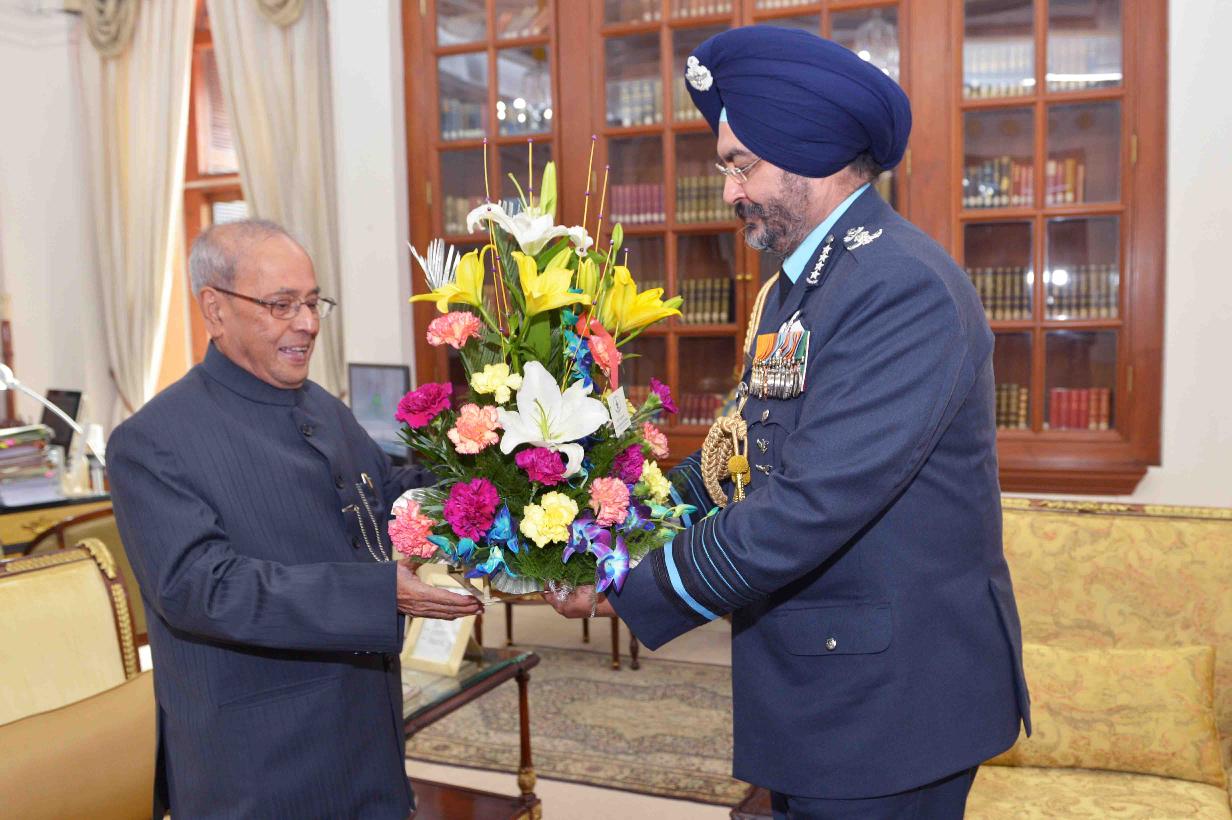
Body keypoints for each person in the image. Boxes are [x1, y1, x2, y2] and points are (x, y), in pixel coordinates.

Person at [547, 26, 1030, 818]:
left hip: (889, 712)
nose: (730, 192)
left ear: (814, 154)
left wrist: (629, 588)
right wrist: (612, 526)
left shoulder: (898, 285)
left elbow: (810, 504)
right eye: (726, 168)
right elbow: (738, 452)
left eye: (742, 165)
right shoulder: (801, 287)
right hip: (829, 686)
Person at [108, 219, 482, 819]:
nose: (307, 323)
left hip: (367, 737)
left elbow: (384, 497)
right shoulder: (153, 440)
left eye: (312, 302)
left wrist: (492, 480)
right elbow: (203, 588)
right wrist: (377, 594)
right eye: (281, 305)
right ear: (215, 309)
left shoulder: (323, 407)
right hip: (259, 767)